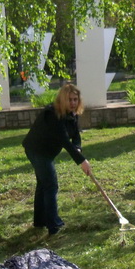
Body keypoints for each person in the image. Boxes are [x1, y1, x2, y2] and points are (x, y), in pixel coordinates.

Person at [22, 84, 92, 235]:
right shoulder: (53, 114)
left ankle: (40, 221)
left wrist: (78, 147)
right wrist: (82, 161)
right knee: (51, 185)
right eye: (69, 100)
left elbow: (75, 135)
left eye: (75, 99)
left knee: (43, 184)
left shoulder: (72, 114)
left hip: (46, 152)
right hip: (37, 150)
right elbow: (65, 141)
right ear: (62, 100)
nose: (73, 103)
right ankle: (54, 225)